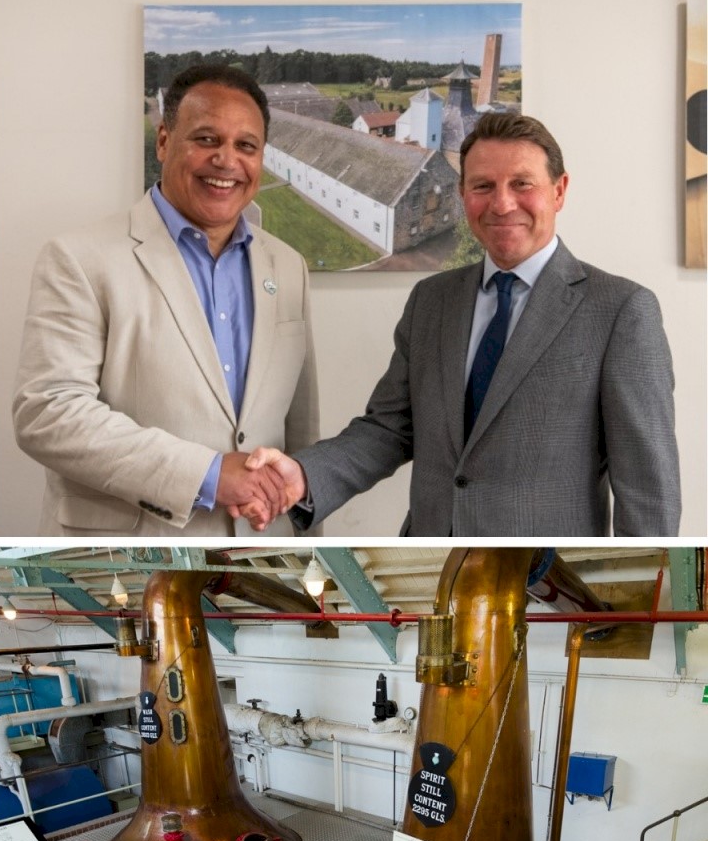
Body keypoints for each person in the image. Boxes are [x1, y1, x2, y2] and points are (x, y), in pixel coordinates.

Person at [246, 112, 680, 536]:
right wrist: (302, 476)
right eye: (483, 186)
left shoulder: (621, 311)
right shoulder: (431, 302)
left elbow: (647, 491)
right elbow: (389, 429)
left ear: (559, 191)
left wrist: (636, 604)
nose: (502, 203)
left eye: (522, 184)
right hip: (431, 570)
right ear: (463, 193)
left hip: (548, 586)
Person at [11, 63, 317, 536]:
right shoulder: (78, 258)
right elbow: (48, 411)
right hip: (125, 558)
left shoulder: (288, 266)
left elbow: (301, 430)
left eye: (246, 146)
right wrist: (209, 475)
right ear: (163, 142)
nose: (227, 160)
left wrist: (308, 543)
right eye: (207, 139)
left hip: (263, 551)